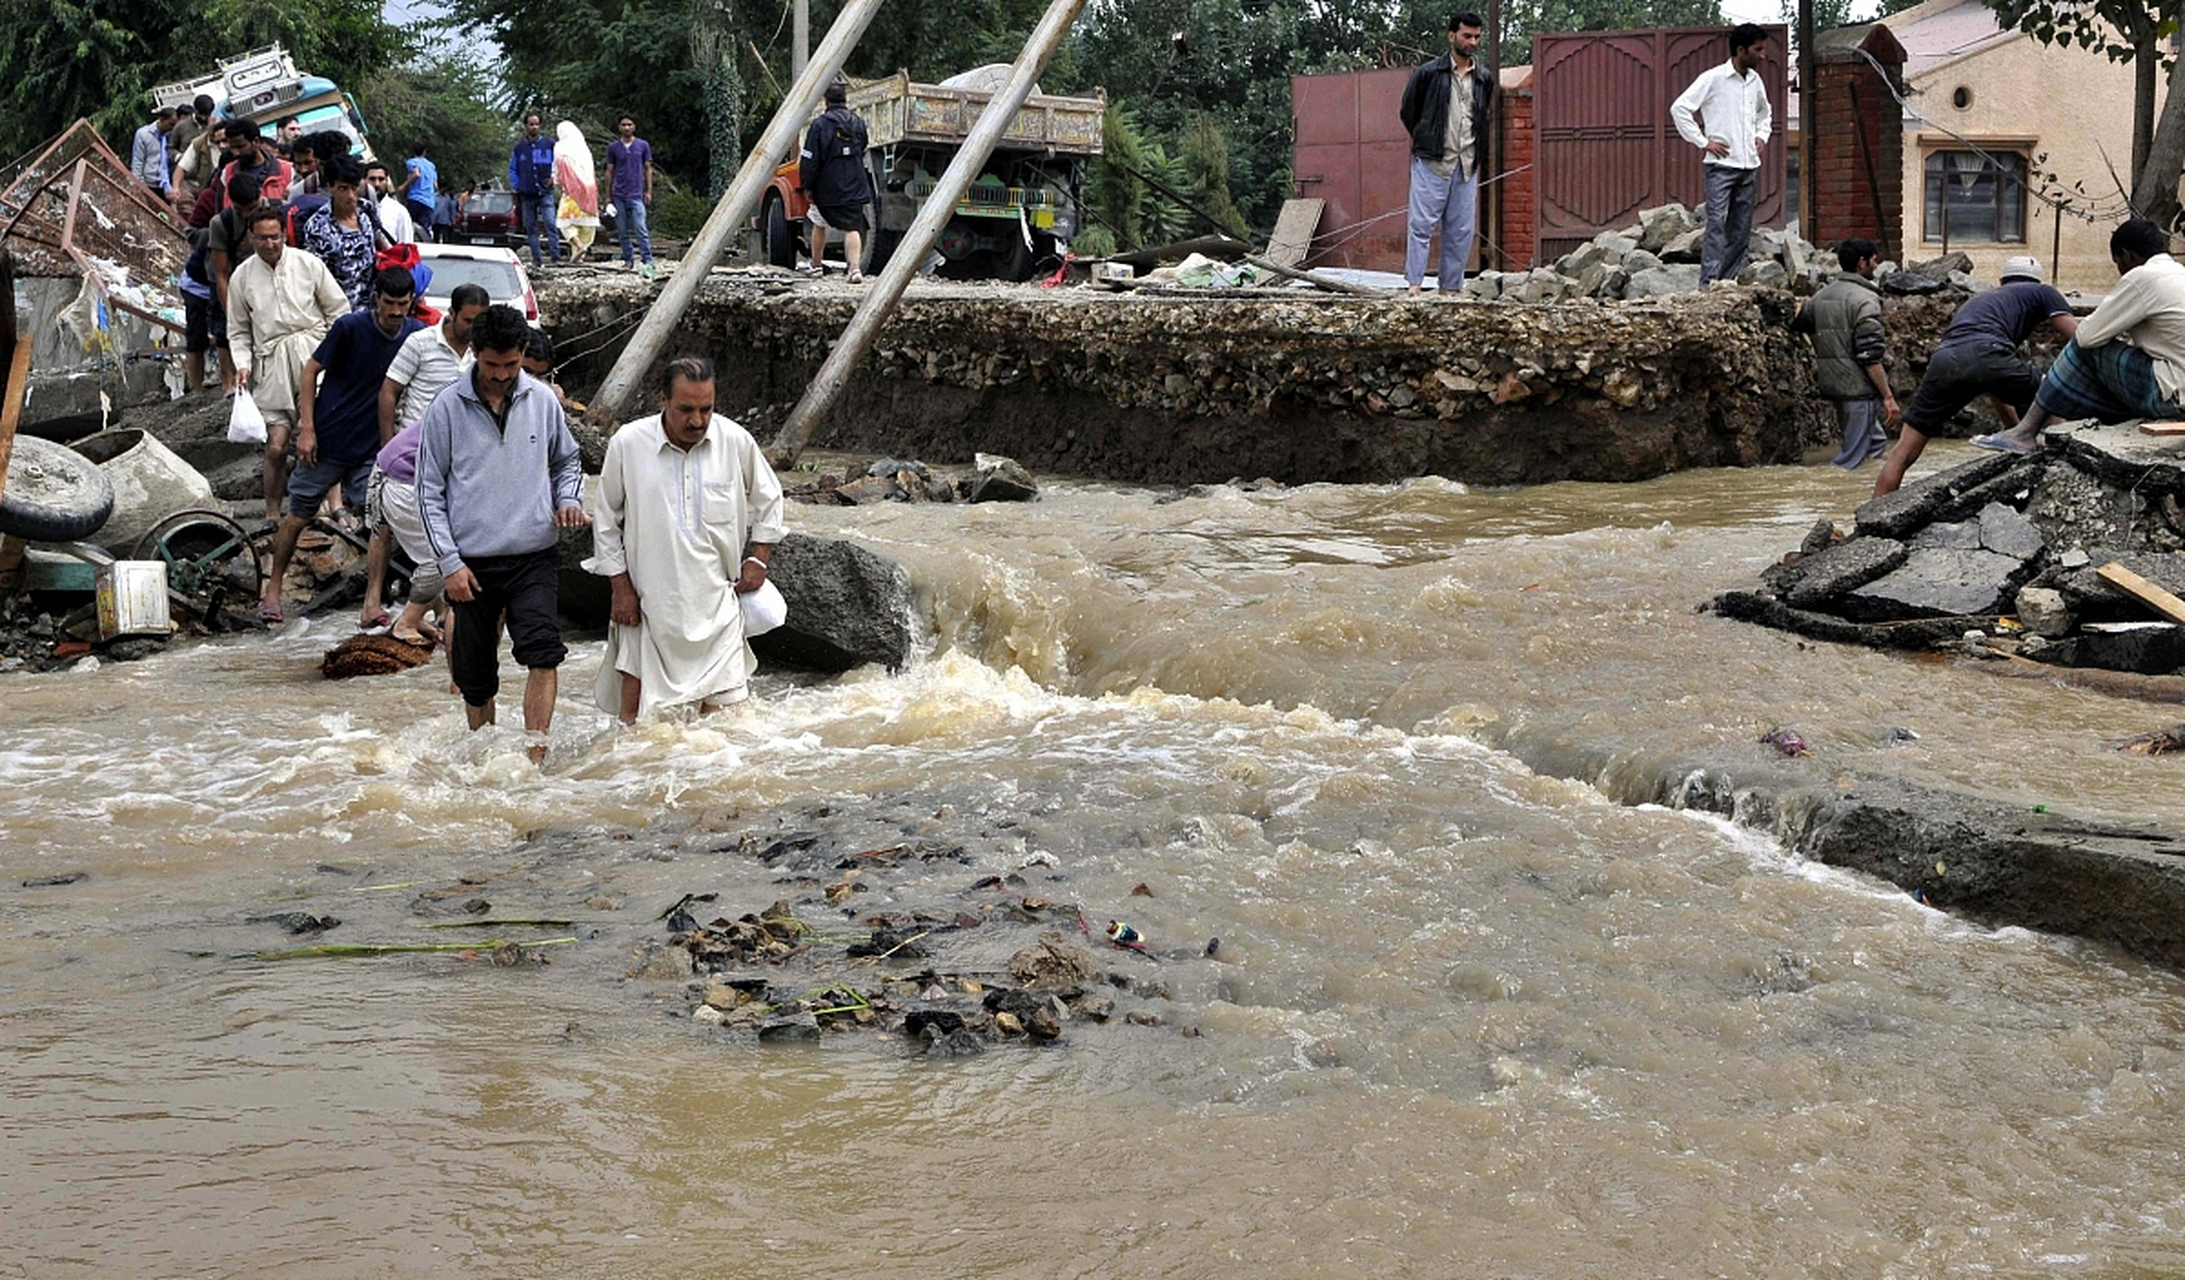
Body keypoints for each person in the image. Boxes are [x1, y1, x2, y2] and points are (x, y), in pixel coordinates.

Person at [415, 304, 589, 762]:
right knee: (475, 678)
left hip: (534, 554)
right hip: (471, 562)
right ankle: (483, 758)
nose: (501, 374)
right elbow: (427, 490)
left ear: (522, 354)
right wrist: (449, 564)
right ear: (474, 352)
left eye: (511, 364)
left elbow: (567, 460)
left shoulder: (543, 401)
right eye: (492, 364)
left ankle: (534, 760)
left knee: (543, 653)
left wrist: (568, 499)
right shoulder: (445, 408)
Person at [588, 356, 786, 721]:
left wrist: (759, 558)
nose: (697, 421)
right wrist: (620, 587)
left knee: (723, 726)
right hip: (647, 604)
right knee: (635, 722)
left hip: (717, 606)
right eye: (686, 409)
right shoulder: (628, 443)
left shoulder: (735, 440)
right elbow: (605, 520)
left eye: (706, 409)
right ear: (663, 400)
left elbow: (770, 499)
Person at [260, 267, 425, 623]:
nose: (396, 311)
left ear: (412, 302)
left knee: (382, 520)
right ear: (376, 299)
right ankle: (273, 588)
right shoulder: (350, 328)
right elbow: (310, 371)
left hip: (372, 448)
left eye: (403, 304)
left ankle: (372, 602)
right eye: (389, 303)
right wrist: (307, 427)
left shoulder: (415, 335)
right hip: (329, 439)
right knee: (298, 515)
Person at [1873, 256, 2077, 494]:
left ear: (2002, 281)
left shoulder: (1982, 300)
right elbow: (2079, 337)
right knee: (2051, 391)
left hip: (1944, 358)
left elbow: (1995, 389)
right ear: (2037, 281)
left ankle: (1874, 512)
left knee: (1903, 452)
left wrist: (2014, 430)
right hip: (1989, 351)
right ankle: (2065, 465)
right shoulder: (2043, 292)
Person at [1976, 219, 2185, 453]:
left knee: (2082, 346)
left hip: (2173, 394)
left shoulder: (2143, 277)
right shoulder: (2179, 273)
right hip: (2177, 388)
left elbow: (2085, 337)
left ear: (2127, 256)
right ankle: (2041, 429)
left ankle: (2024, 432)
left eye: (2117, 263)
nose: (2119, 271)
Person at [361, 283, 490, 636]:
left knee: (440, 552)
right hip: (406, 462)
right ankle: (394, 615)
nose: (473, 328)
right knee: (437, 555)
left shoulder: (481, 361)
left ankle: (429, 618)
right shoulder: (421, 343)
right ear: (452, 313)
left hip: (438, 462)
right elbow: (389, 392)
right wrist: (388, 443)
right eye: (468, 320)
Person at [225, 207, 348, 524]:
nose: (269, 244)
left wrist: (332, 354)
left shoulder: (308, 264)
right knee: (277, 446)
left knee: (323, 435)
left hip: (313, 354)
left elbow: (338, 311)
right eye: (262, 238)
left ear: (284, 235)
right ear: (251, 238)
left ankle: (334, 505)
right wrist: (242, 365)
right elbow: (238, 330)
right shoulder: (242, 276)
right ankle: (272, 513)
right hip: (272, 364)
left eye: (275, 237)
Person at [1397, 11, 1497, 296]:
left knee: (1461, 231)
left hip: (1466, 164)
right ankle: (1414, 286)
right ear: (1452, 36)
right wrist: (1426, 139)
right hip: (1433, 162)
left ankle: (1449, 290)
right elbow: (1408, 112)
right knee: (1421, 226)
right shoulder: (1429, 73)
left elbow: (1483, 116)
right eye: (1467, 36)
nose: (1472, 42)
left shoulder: (1483, 78)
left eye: (1477, 37)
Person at [1671, 23, 1772, 285]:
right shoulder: (1713, 78)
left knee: (1741, 229)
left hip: (1749, 166)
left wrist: (1762, 135)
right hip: (1720, 166)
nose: (1763, 55)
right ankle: (1708, 284)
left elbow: (1765, 112)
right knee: (1716, 223)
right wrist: (1703, 142)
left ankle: (1727, 283)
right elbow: (1680, 108)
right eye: (1758, 49)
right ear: (1741, 50)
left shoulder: (1755, 81)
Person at [1791, 237, 1898, 470]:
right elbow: (1870, 356)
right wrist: (1888, 397)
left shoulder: (1822, 295)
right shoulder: (1866, 300)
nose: (1877, 266)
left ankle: (1864, 487)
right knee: (1850, 460)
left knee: (1876, 443)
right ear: (1862, 263)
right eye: (1874, 261)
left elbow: (1801, 322)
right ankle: (1829, 484)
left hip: (1834, 385)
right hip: (1858, 390)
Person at [798, 81, 870, 281]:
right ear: (845, 100)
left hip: (826, 186)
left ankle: (816, 266)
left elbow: (810, 158)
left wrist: (807, 185)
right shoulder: (858, 122)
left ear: (826, 101)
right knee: (853, 226)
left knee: (818, 222)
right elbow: (863, 146)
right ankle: (854, 269)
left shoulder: (819, 125)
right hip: (854, 183)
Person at [302, 153, 391, 309]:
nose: (350, 195)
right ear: (330, 187)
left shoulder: (366, 212)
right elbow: (313, 278)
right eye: (343, 188)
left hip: (372, 309)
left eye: (354, 187)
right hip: (338, 311)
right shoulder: (317, 228)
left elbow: (382, 245)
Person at [510, 113, 562, 267]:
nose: (534, 127)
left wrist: (554, 178)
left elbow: (559, 163)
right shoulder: (519, 149)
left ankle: (556, 257)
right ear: (526, 126)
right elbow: (513, 169)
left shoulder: (549, 145)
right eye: (531, 124)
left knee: (551, 224)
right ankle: (536, 259)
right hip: (527, 194)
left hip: (545, 193)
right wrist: (517, 185)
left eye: (536, 124)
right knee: (531, 228)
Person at [607, 113, 655, 277]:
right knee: (622, 230)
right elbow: (609, 171)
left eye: (629, 125)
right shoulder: (613, 147)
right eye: (624, 125)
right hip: (619, 193)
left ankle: (647, 260)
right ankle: (628, 258)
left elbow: (648, 169)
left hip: (636, 193)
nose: (626, 128)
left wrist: (648, 191)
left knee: (641, 228)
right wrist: (608, 196)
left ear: (634, 127)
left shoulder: (642, 145)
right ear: (619, 127)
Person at [216, 120, 294, 205]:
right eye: (232, 148)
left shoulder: (287, 171)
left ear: (256, 141)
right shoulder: (227, 174)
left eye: (240, 147)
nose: (236, 153)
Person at [395, 141, 439, 243]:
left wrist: (403, 186)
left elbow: (416, 174)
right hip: (429, 201)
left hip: (415, 198)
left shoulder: (411, 162)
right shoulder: (431, 165)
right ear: (425, 152)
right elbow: (435, 185)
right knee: (424, 229)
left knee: (409, 225)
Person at [130, 105, 179, 197]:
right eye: (170, 124)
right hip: (149, 183)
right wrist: (137, 184)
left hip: (167, 185)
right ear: (162, 120)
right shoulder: (143, 134)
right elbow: (138, 160)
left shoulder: (172, 136)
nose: (172, 128)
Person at [365, 159, 416, 245]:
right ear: (364, 181)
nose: (377, 184)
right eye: (372, 179)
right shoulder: (355, 210)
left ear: (387, 181)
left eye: (381, 179)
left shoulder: (399, 211)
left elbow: (406, 245)